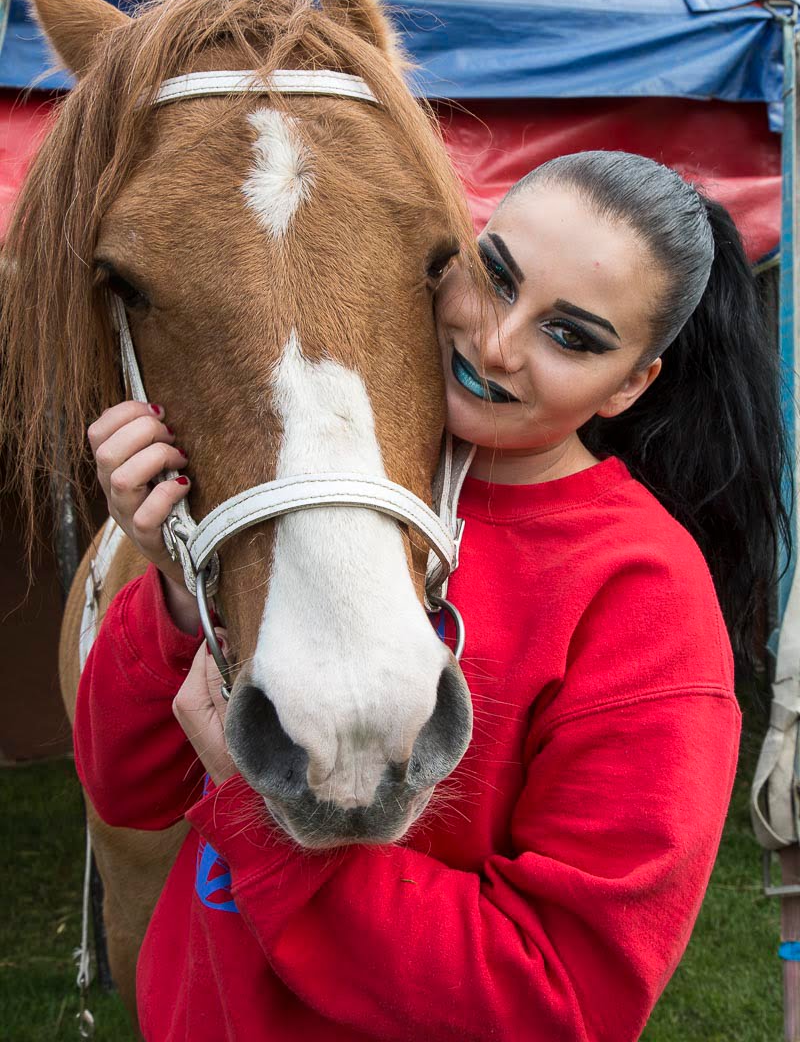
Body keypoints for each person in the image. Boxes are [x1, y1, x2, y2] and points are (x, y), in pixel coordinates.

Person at [75, 151, 788, 1041]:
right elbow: (124, 785)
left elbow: (562, 998)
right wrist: (177, 585)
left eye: (572, 336)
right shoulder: (320, 462)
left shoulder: (644, 594)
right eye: (496, 277)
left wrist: (262, 814)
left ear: (632, 383)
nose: (497, 342)